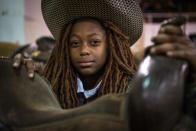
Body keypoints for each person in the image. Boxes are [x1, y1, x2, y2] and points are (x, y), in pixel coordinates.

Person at [12, 0, 196, 125]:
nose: (84, 50)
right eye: (75, 43)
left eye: (94, 42)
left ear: (111, 46)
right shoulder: (50, 83)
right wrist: (20, 78)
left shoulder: (132, 87)